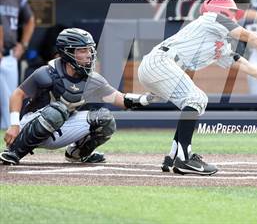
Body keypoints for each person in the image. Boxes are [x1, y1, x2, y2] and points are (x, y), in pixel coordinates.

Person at [138, 0, 257, 175]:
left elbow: (247, 67)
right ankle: (184, 159)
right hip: (160, 62)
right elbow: (250, 37)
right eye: (232, 12)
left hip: (158, 67)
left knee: (193, 103)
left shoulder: (220, 43)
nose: (235, 16)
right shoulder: (213, 18)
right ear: (220, 10)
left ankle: (174, 154)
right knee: (197, 98)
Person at [0, 28, 154, 165]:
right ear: (67, 52)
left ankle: (77, 154)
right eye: (82, 50)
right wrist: (14, 125)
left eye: (89, 50)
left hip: (62, 126)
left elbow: (122, 100)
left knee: (105, 119)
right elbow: (17, 94)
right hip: (33, 123)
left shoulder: (93, 80)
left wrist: (148, 98)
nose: (88, 55)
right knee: (57, 110)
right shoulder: (47, 73)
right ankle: (15, 151)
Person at [0, 0, 36, 129]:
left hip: (8, 54)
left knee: (10, 96)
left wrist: (23, 44)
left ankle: (8, 132)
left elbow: (30, 20)